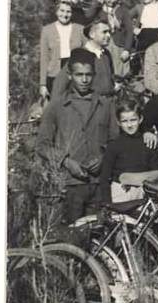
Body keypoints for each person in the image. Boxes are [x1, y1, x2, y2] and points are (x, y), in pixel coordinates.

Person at [37, 48, 119, 223]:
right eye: (79, 74)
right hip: (69, 185)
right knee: (72, 238)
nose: (84, 80)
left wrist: (103, 157)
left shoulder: (105, 104)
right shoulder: (57, 106)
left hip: (99, 184)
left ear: (94, 74)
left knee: (100, 236)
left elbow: (115, 140)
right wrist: (67, 162)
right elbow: (42, 145)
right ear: (69, 75)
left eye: (88, 75)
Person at [98, 100, 158, 203]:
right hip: (120, 192)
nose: (129, 125)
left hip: (143, 193)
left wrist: (153, 198)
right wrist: (107, 203)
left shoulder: (148, 143)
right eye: (124, 121)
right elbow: (104, 177)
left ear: (140, 119)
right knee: (122, 219)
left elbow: (154, 174)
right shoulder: (114, 145)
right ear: (118, 122)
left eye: (133, 120)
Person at [50, 20, 123, 98]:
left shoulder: (106, 54)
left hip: (107, 105)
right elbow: (60, 84)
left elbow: (110, 79)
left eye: (109, 32)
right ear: (92, 34)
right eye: (104, 32)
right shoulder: (79, 55)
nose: (108, 35)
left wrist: (114, 87)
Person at [39, 0, 85, 98]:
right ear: (56, 12)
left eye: (68, 11)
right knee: (56, 104)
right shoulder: (47, 30)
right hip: (54, 73)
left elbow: (87, 52)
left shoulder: (80, 29)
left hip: (75, 71)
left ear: (72, 13)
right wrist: (42, 84)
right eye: (62, 11)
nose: (65, 14)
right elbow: (44, 58)